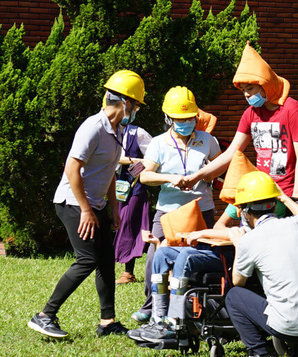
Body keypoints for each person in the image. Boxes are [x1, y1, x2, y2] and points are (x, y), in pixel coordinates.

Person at [27, 70, 145, 338]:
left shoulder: (117, 131)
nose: (136, 110)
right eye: (136, 104)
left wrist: (113, 209)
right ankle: (45, 315)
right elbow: (72, 168)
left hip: (97, 205)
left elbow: (110, 173)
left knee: (105, 261)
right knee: (88, 259)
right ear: (125, 102)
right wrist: (86, 210)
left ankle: (108, 322)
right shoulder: (93, 127)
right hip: (73, 203)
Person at [225, 171, 298, 357]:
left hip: (288, 324)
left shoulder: (248, 241)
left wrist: (238, 244)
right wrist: (283, 196)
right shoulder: (297, 225)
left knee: (233, 297)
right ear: (275, 204)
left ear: (245, 212)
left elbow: (238, 282)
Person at [131, 86, 220, 323]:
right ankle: (152, 305)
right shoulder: (159, 143)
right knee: (155, 256)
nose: (185, 122)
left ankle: (203, 306)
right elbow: (145, 176)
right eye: (179, 119)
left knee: (203, 256)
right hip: (168, 211)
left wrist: (206, 176)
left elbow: (219, 168)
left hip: (203, 209)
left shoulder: (208, 140)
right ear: (168, 118)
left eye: (189, 118)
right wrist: (170, 178)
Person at [177, 43, 298, 197]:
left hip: (288, 192)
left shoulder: (292, 109)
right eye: (243, 90)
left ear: (265, 84)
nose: (246, 94)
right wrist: (196, 176)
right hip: (262, 191)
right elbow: (231, 152)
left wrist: (297, 195)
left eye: (250, 88)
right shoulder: (250, 114)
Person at [127, 206, 242, 343]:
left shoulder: (267, 209)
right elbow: (219, 225)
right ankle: (157, 319)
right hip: (218, 247)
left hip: (233, 255)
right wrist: (224, 233)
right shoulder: (238, 201)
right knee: (162, 254)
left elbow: (245, 234)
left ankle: (174, 322)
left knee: (186, 256)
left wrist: (204, 233)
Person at [113, 121, 153, 284]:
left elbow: (154, 158)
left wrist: (129, 161)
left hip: (134, 188)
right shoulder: (106, 132)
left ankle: (128, 272)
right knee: (116, 225)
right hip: (113, 188)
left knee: (129, 224)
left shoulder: (138, 133)